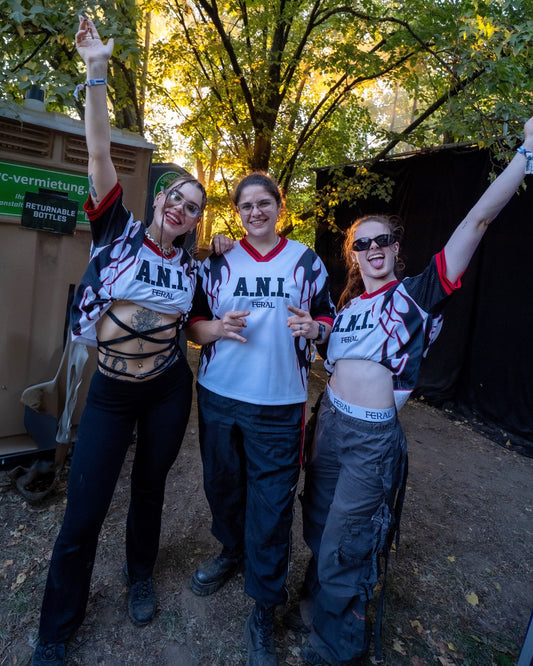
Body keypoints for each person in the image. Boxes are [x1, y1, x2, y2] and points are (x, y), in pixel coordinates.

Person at [299, 115, 533, 666]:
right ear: (353, 254)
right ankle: (315, 607)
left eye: (383, 239)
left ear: (396, 247)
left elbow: (476, 221)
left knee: (347, 542)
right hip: (329, 422)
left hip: (370, 440)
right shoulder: (348, 307)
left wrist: (525, 155)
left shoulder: (416, 297)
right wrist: (316, 331)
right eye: (363, 243)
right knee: (317, 522)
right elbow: (339, 351)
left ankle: (335, 647)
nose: (373, 248)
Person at [31, 16, 207, 666]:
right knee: (84, 508)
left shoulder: (194, 270)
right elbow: (100, 151)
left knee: (149, 490)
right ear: (158, 198)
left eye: (193, 205)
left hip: (167, 390)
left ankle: (139, 576)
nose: (180, 207)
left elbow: (198, 324)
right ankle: (55, 631)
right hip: (111, 390)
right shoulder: (118, 232)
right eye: (175, 196)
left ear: (195, 221)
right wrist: (97, 70)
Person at [185, 172, 336, 665]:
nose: (255, 212)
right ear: (238, 212)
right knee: (222, 486)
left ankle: (264, 608)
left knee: (271, 507)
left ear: (279, 206)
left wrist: (315, 329)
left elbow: (328, 319)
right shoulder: (219, 259)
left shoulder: (306, 261)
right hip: (219, 396)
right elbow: (194, 325)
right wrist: (216, 329)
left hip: (278, 402)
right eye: (246, 205)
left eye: (263, 203)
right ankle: (232, 550)